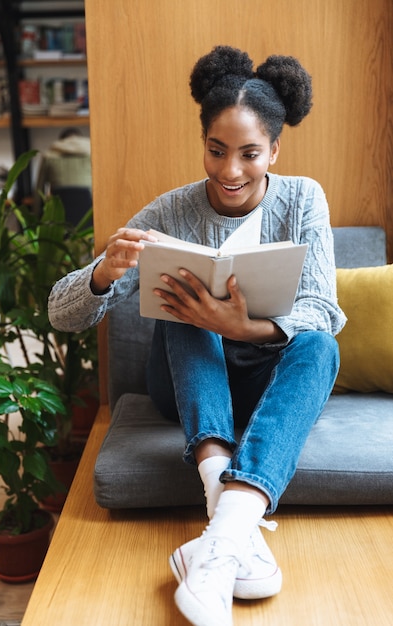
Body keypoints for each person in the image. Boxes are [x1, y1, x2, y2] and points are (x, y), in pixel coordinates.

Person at [48, 46, 346, 626]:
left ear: (274, 151)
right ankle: (222, 491)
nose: (230, 170)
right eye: (216, 150)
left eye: (249, 154)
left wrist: (244, 326)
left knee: (322, 345)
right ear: (203, 142)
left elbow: (324, 309)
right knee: (184, 317)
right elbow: (63, 313)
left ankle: (219, 533)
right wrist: (103, 274)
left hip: (269, 382)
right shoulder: (172, 212)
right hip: (187, 381)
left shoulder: (303, 198)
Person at [34, 127, 92, 214]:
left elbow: (39, 190)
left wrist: (37, 215)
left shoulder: (48, 156)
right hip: (88, 215)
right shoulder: (92, 154)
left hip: (58, 215)